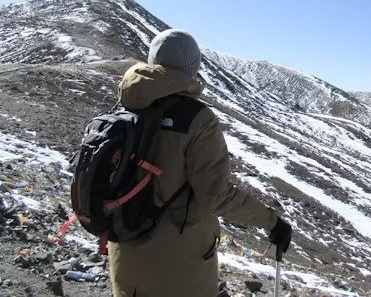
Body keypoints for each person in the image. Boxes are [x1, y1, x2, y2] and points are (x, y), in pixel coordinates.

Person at [108, 29, 292, 297]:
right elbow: (216, 196)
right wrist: (272, 221)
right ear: (192, 69)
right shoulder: (196, 119)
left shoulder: (124, 108)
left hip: (124, 252)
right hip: (178, 266)